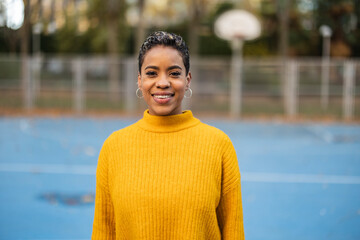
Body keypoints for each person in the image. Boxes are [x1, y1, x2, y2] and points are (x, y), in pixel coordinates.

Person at [92, 31, 244, 239]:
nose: (162, 82)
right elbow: (104, 230)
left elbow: (233, 231)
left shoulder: (218, 145)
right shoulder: (114, 147)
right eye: (152, 73)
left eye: (174, 73)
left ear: (188, 79)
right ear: (139, 80)